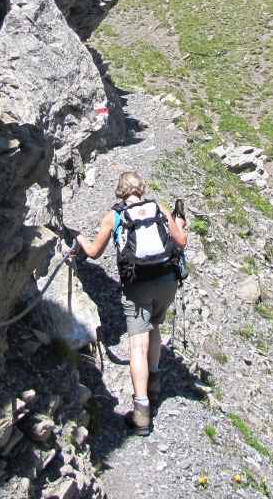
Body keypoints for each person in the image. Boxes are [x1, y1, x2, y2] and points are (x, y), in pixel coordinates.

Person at [76, 171, 187, 436]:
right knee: (155, 326)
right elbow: (181, 242)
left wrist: (76, 236)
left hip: (138, 284)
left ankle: (141, 412)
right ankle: (154, 380)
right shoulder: (159, 208)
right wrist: (180, 224)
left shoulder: (114, 215)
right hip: (167, 280)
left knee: (137, 344)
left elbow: (93, 252)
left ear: (120, 191)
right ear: (142, 188)